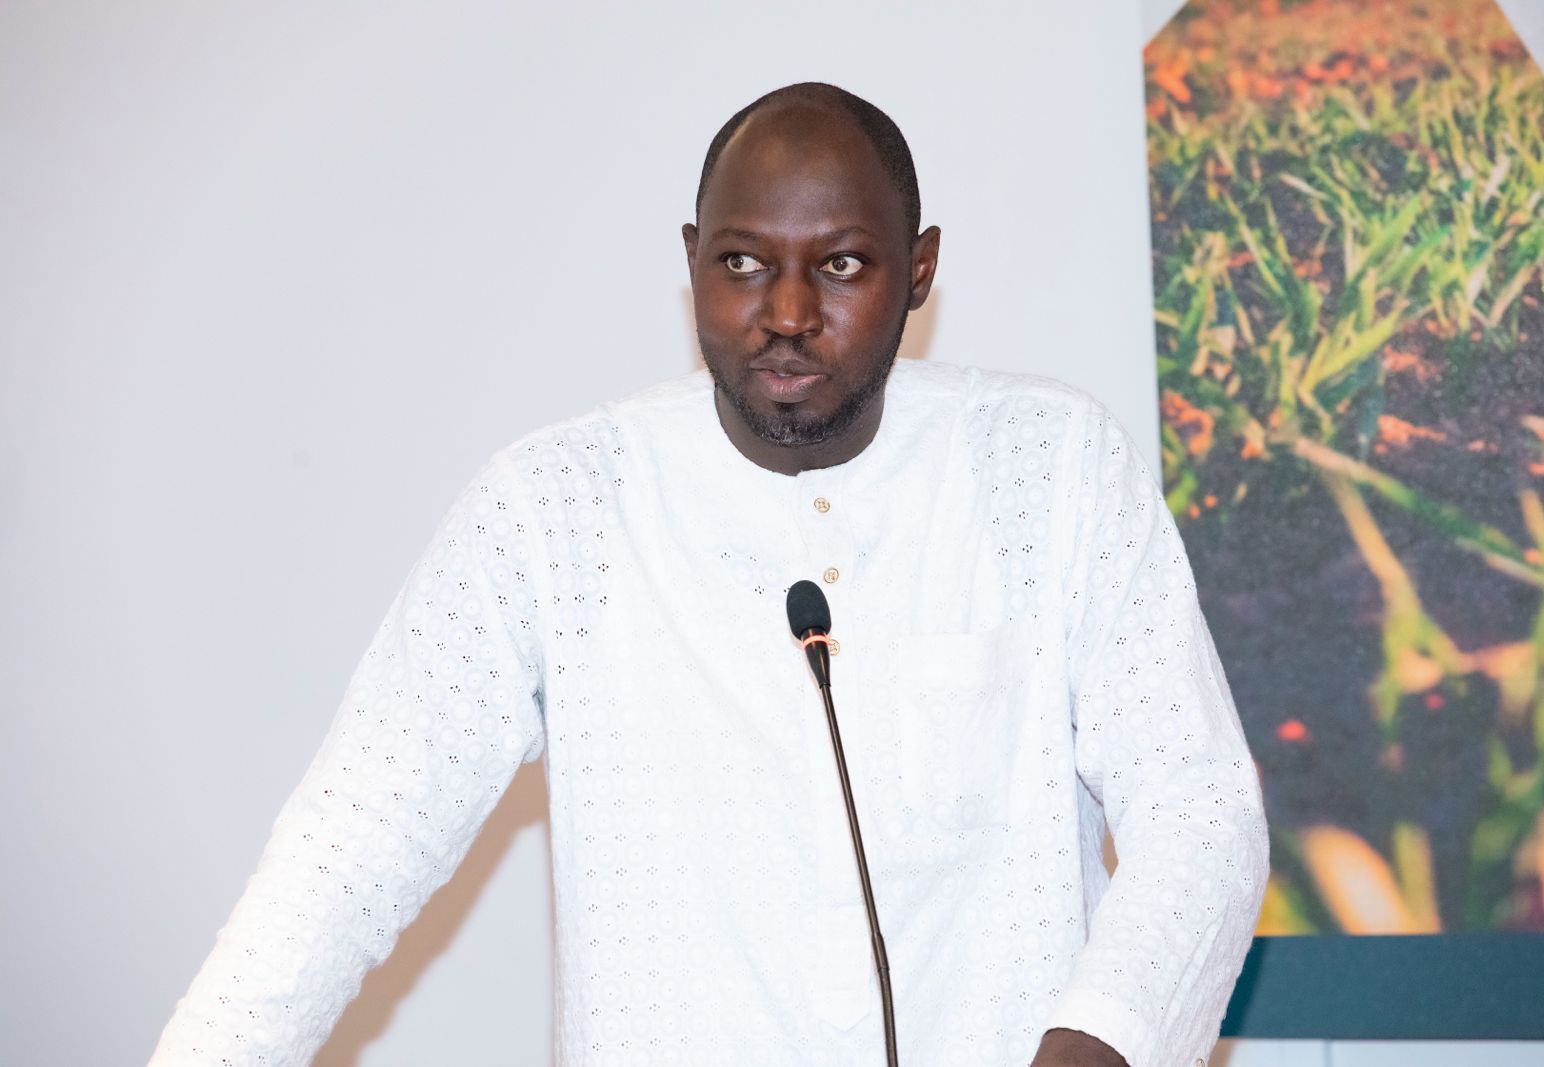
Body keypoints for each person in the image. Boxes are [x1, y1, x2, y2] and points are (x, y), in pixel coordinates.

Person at [149, 82, 1268, 1067]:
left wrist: (1103, 1039)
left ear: (919, 269)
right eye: (742, 263)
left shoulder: (1051, 468)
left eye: (840, 264)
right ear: (691, 261)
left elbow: (1199, 809)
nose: (787, 314)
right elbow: (351, 842)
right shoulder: (554, 506)